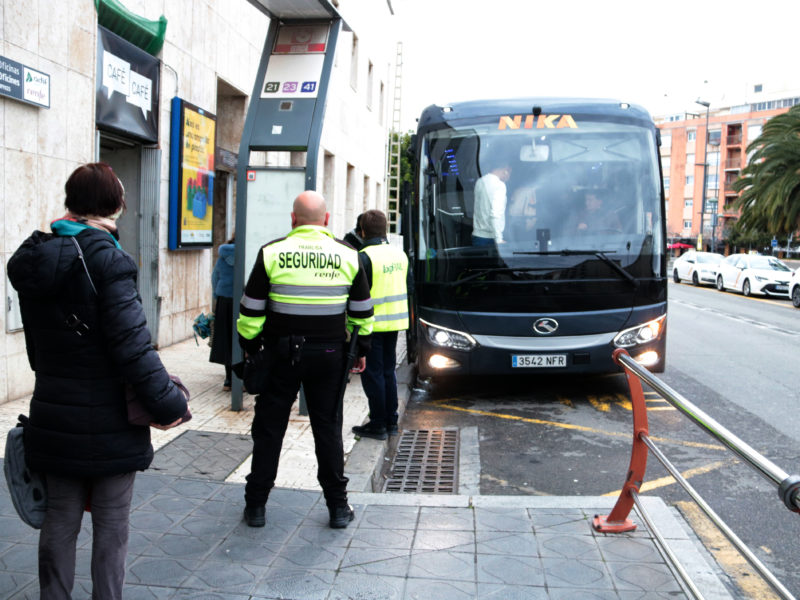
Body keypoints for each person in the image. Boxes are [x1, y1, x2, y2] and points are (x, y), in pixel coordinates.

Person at [7, 162, 188, 600]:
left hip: (53, 411)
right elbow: (132, 347)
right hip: (110, 421)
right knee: (111, 530)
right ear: (117, 206)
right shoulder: (110, 260)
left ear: (71, 202)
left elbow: (38, 348)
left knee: (59, 521)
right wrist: (169, 403)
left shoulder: (35, 259)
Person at [237, 190, 374, 529]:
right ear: (326, 220)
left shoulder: (272, 252)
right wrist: (361, 350)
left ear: (293, 219)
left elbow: (250, 312)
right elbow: (362, 313)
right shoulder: (348, 255)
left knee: (269, 429)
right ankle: (338, 508)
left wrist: (252, 348)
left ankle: (256, 507)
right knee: (327, 429)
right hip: (329, 356)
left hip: (281, 355)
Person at [351, 210, 409, 441]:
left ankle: (377, 424)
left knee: (372, 375)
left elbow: (358, 297)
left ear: (363, 232)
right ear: (385, 230)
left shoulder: (364, 257)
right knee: (388, 373)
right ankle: (391, 421)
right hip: (395, 323)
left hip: (371, 326)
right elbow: (409, 288)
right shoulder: (400, 255)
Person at [210, 233, 236, 391]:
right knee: (242, 339)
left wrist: (216, 296)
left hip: (224, 301)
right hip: (242, 300)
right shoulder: (249, 253)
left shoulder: (223, 255)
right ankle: (243, 379)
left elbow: (215, 277)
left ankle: (228, 380)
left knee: (226, 339)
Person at [472, 156, 512, 246]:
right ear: (506, 170)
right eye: (510, 173)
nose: (509, 177)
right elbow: (496, 214)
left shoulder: (480, 181)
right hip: (491, 239)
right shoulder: (499, 185)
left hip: (477, 236)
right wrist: (499, 239)